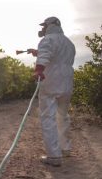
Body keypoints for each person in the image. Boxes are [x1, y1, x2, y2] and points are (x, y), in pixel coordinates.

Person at [28, 16, 76, 167]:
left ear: (51, 25)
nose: (42, 29)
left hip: (51, 82)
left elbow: (45, 56)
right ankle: (65, 148)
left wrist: (38, 70)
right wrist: (37, 52)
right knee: (62, 115)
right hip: (66, 82)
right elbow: (55, 56)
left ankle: (54, 156)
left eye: (44, 26)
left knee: (48, 117)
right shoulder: (68, 42)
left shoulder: (47, 39)